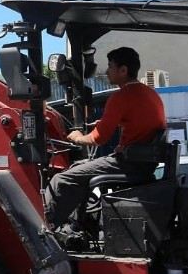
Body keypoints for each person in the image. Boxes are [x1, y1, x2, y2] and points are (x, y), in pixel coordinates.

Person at [45, 47, 167, 246]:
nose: (107, 71)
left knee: (63, 178)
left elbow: (98, 139)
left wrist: (77, 137)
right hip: (142, 162)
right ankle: (80, 226)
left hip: (127, 163)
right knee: (78, 169)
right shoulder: (149, 94)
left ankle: (45, 230)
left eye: (110, 67)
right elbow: (138, 121)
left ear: (123, 70)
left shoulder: (121, 96)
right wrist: (106, 122)